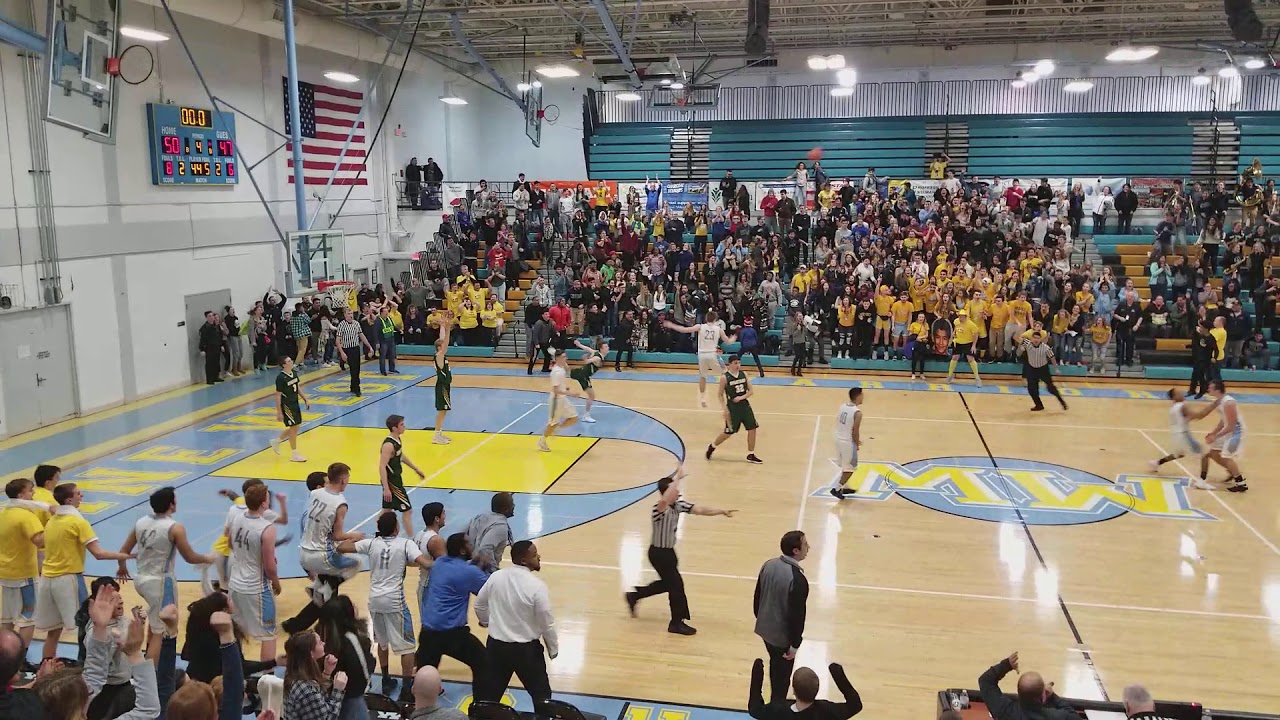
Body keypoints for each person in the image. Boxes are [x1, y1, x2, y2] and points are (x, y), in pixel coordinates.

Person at [625, 465, 735, 636]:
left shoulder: (679, 505)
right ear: (667, 492)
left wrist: (721, 511)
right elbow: (665, 500)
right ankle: (676, 623)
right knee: (677, 586)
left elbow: (700, 510)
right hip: (658, 554)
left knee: (669, 584)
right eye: (674, 490)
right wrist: (678, 478)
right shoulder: (658, 509)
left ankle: (635, 595)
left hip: (669, 553)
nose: (678, 492)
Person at [114, 486, 217, 660]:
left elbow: (123, 550)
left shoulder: (141, 522)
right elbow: (190, 557)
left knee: (155, 624)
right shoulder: (174, 528)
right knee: (161, 632)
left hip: (141, 578)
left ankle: (147, 661)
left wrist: (122, 566)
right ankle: (152, 672)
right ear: (171, 504)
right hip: (160, 582)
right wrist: (207, 559)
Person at [337, 512, 430, 704]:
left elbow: (341, 547)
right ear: (396, 527)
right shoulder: (405, 544)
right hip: (394, 600)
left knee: (382, 641)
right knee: (407, 646)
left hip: (374, 599)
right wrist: (443, 563)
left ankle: (386, 680)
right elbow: (424, 562)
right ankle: (406, 689)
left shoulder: (372, 543)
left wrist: (354, 537)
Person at [36, 483, 133, 661]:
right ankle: (86, 666)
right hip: (67, 579)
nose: (82, 496)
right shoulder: (78, 522)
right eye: (78, 494)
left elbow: (40, 542)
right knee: (88, 624)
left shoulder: (51, 522)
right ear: (69, 499)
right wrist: (127, 555)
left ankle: (46, 668)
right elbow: (98, 553)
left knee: (53, 631)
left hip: (46, 580)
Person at [475, 541, 557, 705]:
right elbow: (546, 622)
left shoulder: (496, 577)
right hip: (526, 651)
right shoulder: (537, 586)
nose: (538, 557)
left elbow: (479, 604)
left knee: (489, 698)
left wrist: (486, 621)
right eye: (534, 555)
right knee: (542, 698)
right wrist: (553, 648)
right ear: (524, 561)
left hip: (496, 648)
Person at [287, 463, 365, 634]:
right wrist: (354, 535)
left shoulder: (315, 493)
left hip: (303, 552)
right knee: (357, 562)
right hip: (321, 555)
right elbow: (337, 536)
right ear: (343, 480)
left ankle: (319, 590)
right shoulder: (340, 503)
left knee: (328, 581)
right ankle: (323, 591)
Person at [416, 533, 490, 696]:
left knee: (423, 674)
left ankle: (415, 706)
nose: (473, 547)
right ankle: (480, 706)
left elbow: (457, 570)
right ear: (463, 551)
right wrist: (485, 568)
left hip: (428, 632)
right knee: (484, 663)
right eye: (470, 544)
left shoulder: (439, 563)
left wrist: (474, 565)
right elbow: (490, 590)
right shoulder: (469, 572)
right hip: (452, 635)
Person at [226, 483, 282, 663]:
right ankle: (267, 677)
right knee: (268, 635)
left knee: (236, 632)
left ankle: (236, 669)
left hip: (235, 584)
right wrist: (276, 582)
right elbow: (269, 566)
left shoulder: (237, 518)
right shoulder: (267, 528)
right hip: (256, 588)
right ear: (264, 504)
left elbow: (229, 544)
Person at [753, 531, 809, 704]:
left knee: (775, 666)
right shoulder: (798, 579)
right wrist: (795, 644)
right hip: (782, 638)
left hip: (765, 630)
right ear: (795, 551)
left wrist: (761, 618)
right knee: (782, 678)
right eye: (805, 544)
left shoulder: (768, 565)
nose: (809, 547)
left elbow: (757, 597)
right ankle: (776, 708)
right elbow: (797, 617)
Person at [0, 478, 44, 653]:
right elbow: (39, 541)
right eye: (30, 490)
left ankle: (2, 655)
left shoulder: (3, 513)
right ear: (21, 494)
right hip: (24, 574)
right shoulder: (26, 516)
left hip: (5, 572)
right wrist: (54, 527)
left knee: (7, 618)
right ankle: (20, 658)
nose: (33, 494)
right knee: (29, 618)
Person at [747, 658, 863, 720]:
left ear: (793, 690)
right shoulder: (827, 711)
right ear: (817, 690)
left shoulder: (778, 710)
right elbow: (855, 705)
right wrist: (839, 676)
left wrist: (757, 673)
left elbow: (755, 709)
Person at [662, 311, 736, 407]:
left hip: (701, 356)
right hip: (712, 355)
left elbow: (684, 330)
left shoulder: (700, 327)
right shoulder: (719, 329)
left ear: (706, 319)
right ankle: (730, 395)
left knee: (703, 377)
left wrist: (671, 325)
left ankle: (702, 398)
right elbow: (728, 342)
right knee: (725, 374)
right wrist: (735, 337)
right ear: (715, 319)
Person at [978, 651, 1076, 720]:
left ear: (1019, 694)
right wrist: (1053, 696)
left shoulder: (1005, 711)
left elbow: (985, 681)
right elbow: (1073, 716)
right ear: (1043, 697)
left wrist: (1006, 665)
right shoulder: (1058, 716)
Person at [1147, 389, 1213, 490]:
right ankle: (1202, 481)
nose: (1182, 393)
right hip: (1184, 434)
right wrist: (1212, 406)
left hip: (1176, 435)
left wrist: (1189, 418)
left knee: (1180, 453)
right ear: (1174, 397)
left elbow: (1185, 418)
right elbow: (1199, 416)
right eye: (1179, 393)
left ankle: (1156, 463)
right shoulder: (1182, 406)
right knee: (1205, 454)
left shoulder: (1173, 408)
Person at [706, 355, 763, 465]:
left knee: (752, 429)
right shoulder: (724, 378)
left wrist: (741, 398)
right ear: (730, 364)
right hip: (733, 409)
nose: (738, 365)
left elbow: (751, 391)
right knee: (729, 432)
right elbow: (719, 395)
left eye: (739, 363)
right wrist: (724, 409)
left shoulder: (744, 374)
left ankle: (751, 454)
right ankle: (712, 446)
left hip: (745, 406)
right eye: (735, 363)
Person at [283, 631, 348, 720]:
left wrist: (327, 672)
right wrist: (338, 690)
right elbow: (327, 718)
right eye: (320, 642)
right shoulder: (306, 690)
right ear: (311, 653)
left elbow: (319, 701)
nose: (324, 643)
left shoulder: (295, 673)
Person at [380, 415, 427, 537]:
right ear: (394, 428)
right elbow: (382, 466)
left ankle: (380, 533)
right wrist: (386, 488)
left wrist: (415, 469)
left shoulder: (397, 440)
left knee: (387, 511)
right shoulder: (388, 445)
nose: (404, 426)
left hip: (396, 479)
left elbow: (400, 456)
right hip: (392, 482)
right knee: (407, 510)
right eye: (401, 425)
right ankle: (411, 539)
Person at [1200, 380, 1248, 492]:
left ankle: (1241, 483)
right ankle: (1232, 472)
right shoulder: (1220, 401)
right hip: (1228, 430)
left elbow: (1231, 426)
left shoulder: (1228, 403)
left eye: (1210, 388)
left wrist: (1215, 436)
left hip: (1236, 432)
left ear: (1217, 390)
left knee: (1226, 456)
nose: (1208, 389)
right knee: (1213, 453)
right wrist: (1214, 432)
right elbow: (1223, 420)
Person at [270, 355, 310, 462]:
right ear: (284, 365)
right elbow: (277, 395)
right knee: (293, 428)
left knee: (296, 427)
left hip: (295, 403)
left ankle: (277, 441)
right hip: (287, 405)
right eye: (289, 361)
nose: (291, 362)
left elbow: (297, 387)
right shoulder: (280, 378)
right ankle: (294, 453)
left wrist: (305, 399)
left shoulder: (294, 373)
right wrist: (279, 412)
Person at [538, 350, 580, 452]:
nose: (566, 359)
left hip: (563, 399)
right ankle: (542, 440)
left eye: (566, 356)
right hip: (556, 400)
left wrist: (565, 387)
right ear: (558, 359)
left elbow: (567, 369)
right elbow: (556, 390)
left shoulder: (561, 368)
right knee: (553, 423)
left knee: (574, 417)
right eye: (564, 357)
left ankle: (556, 429)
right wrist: (572, 394)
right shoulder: (556, 372)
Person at [1017, 330, 1068, 412]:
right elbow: (1016, 337)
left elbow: (1052, 357)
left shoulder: (1045, 347)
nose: (1036, 340)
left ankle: (1062, 402)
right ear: (1032, 338)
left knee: (1051, 388)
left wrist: (1056, 369)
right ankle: (1039, 405)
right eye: (1034, 338)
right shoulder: (1027, 343)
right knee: (1032, 389)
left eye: (1038, 338)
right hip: (1032, 369)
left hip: (1043, 369)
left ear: (1040, 339)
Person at [829, 387, 864, 499]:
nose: (863, 397)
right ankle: (837, 489)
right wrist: (857, 443)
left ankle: (845, 487)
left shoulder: (842, 406)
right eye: (862, 395)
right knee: (851, 468)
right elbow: (855, 431)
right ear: (858, 396)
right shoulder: (857, 413)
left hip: (838, 438)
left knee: (845, 465)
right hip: (847, 442)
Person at [465, 492, 515, 572]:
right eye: (512, 504)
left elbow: (462, 535)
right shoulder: (500, 527)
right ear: (505, 509)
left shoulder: (479, 517)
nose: (514, 506)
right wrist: (494, 571)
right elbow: (485, 548)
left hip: (469, 565)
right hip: (482, 571)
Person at [336, 307, 373, 397]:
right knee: (353, 369)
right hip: (347, 349)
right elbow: (338, 340)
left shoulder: (356, 324)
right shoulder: (341, 325)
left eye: (351, 313)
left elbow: (361, 335)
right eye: (348, 314)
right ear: (345, 315)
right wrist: (342, 352)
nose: (350, 315)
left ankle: (353, 386)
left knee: (356, 369)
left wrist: (369, 346)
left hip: (355, 348)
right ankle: (357, 388)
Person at [570, 340, 608, 423]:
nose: (608, 348)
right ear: (601, 349)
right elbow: (588, 361)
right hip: (583, 376)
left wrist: (579, 344)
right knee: (592, 396)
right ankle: (586, 416)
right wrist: (585, 358)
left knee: (566, 371)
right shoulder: (597, 358)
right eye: (605, 347)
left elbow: (587, 349)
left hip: (581, 372)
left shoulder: (596, 352)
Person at [945, 309, 982, 386]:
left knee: (970, 359)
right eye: (959, 316)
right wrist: (952, 338)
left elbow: (975, 335)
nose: (960, 318)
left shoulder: (971, 325)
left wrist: (973, 345)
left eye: (962, 317)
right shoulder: (956, 321)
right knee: (954, 358)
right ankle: (950, 375)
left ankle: (977, 378)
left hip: (967, 343)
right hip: (958, 342)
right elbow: (955, 329)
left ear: (965, 317)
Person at [433, 320, 453, 444]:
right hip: (441, 386)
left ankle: (439, 433)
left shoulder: (441, 355)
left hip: (445, 385)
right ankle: (436, 436)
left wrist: (443, 326)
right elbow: (445, 343)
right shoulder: (438, 356)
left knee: (444, 410)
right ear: (439, 348)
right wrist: (449, 328)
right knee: (441, 411)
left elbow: (443, 339)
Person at [199, 311, 225, 385]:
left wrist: (221, 345)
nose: (212, 317)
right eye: (209, 316)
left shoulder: (216, 326)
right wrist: (202, 349)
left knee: (216, 362)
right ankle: (209, 379)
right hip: (209, 348)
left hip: (217, 347)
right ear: (207, 317)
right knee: (210, 364)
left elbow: (220, 336)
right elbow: (202, 339)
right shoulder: (205, 328)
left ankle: (215, 377)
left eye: (212, 316)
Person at [377, 305, 399, 375]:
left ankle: (392, 368)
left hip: (391, 339)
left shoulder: (389, 318)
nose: (387, 313)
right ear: (381, 313)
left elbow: (393, 326)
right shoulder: (378, 321)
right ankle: (383, 370)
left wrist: (399, 330)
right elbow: (375, 332)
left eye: (387, 312)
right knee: (383, 356)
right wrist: (377, 342)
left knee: (392, 355)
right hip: (383, 341)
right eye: (385, 312)